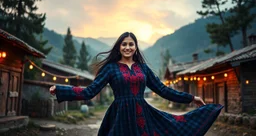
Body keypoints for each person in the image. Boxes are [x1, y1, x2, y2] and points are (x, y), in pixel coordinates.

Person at [49, 32, 223, 136]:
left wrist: (192, 98)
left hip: (143, 116)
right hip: (119, 118)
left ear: (135, 47)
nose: (127, 47)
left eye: (131, 44)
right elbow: (89, 91)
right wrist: (62, 90)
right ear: (119, 47)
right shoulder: (110, 68)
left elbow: (163, 90)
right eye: (124, 44)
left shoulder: (143, 69)